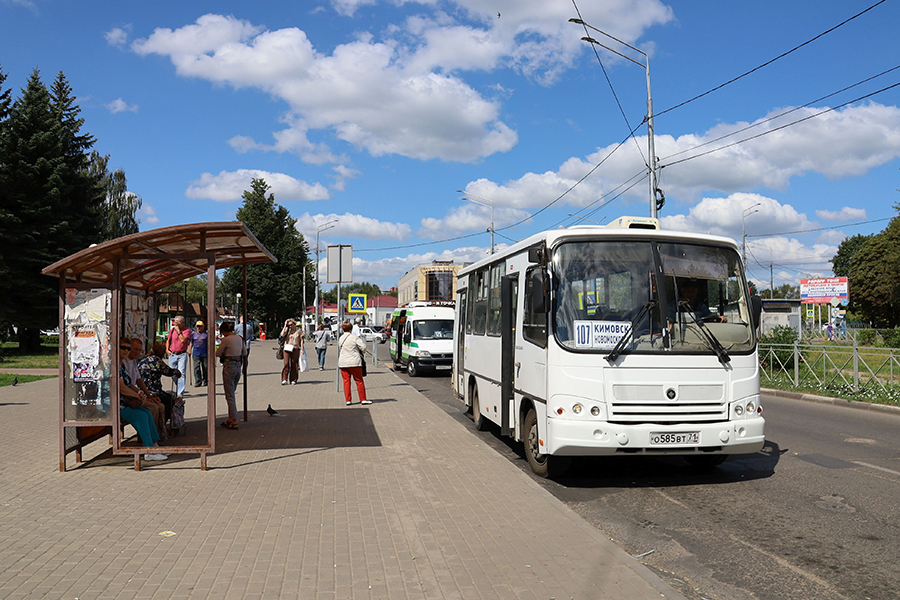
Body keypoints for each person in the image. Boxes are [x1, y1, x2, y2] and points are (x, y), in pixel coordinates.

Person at [118, 339, 166, 460]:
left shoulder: (123, 365)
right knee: (143, 415)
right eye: (123, 347)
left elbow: (131, 383)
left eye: (128, 348)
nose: (126, 351)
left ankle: (154, 446)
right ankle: (148, 449)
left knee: (147, 413)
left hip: (127, 401)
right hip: (118, 405)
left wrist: (142, 393)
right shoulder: (114, 367)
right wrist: (137, 395)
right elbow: (121, 387)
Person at [127, 338, 168, 441]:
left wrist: (149, 396)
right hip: (129, 398)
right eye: (135, 349)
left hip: (137, 395)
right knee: (152, 409)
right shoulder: (124, 362)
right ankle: (148, 440)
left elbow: (139, 380)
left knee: (161, 406)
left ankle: (159, 436)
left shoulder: (134, 361)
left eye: (139, 350)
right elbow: (128, 384)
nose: (137, 352)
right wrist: (141, 396)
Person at [138, 341, 180, 434]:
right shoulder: (156, 360)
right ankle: (162, 425)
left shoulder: (143, 359)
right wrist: (177, 372)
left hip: (142, 391)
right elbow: (168, 371)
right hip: (153, 392)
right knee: (170, 401)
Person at [215, 320, 245, 429]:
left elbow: (217, 353)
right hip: (238, 365)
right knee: (232, 392)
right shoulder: (239, 338)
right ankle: (230, 418)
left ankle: (234, 420)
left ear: (223, 330)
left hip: (229, 365)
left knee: (230, 395)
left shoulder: (226, 340)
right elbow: (244, 352)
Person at [338, 321, 370, 406]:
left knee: (346, 382)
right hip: (354, 362)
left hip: (343, 362)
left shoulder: (341, 338)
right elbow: (363, 347)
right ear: (351, 329)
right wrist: (361, 352)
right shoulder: (355, 338)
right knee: (359, 381)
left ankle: (348, 400)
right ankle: (363, 399)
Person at [166, 316, 190, 397]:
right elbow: (168, 340)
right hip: (172, 354)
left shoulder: (187, 331)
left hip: (182, 354)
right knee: (172, 373)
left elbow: (183, 340)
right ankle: (178, 385)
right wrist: (167, 350)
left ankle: (180, 392)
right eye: (174, 322)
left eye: (176, 322)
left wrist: (179, 331)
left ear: (182, 323)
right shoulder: (172, 330)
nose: (174, 324)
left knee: (181, 373)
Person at [279, 319, 304, 385]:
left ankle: (293, 379)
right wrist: (285, 326)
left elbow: (301, 340)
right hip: (287, 348)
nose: (290, 326)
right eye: (288, 325)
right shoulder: (287, 330)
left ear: (294, 324)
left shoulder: (298, 330)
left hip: (295, 348)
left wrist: (302, 349)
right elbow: (282, 335)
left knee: (294, 364)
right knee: (286, 363)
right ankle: (284, 379)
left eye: (291, 325)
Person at [189, 321, 209, 387]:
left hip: (204, 353)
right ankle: (198, 381)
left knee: (205, 367)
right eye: (197, 326)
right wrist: (189, 350)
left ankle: (205, 380)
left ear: (203, 326)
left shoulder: (206, 333)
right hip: (196, 353)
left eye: (200, 326)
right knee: (196, 367)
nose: (198, 327)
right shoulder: (193, 334)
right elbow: (191, 343)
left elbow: (209, 343)